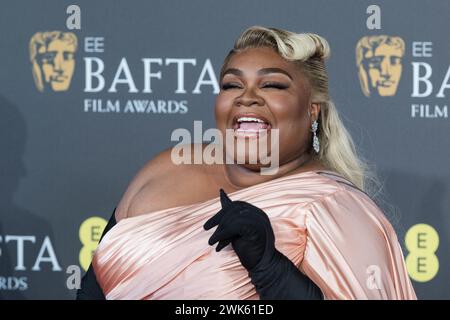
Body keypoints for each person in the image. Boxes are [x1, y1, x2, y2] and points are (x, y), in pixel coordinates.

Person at [77, 26, 417, 300]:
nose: (247, 97)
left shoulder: (336, 209)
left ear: (313, 109)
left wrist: (269, 267)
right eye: (232, 84)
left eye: (271, 84)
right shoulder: (168, 166)